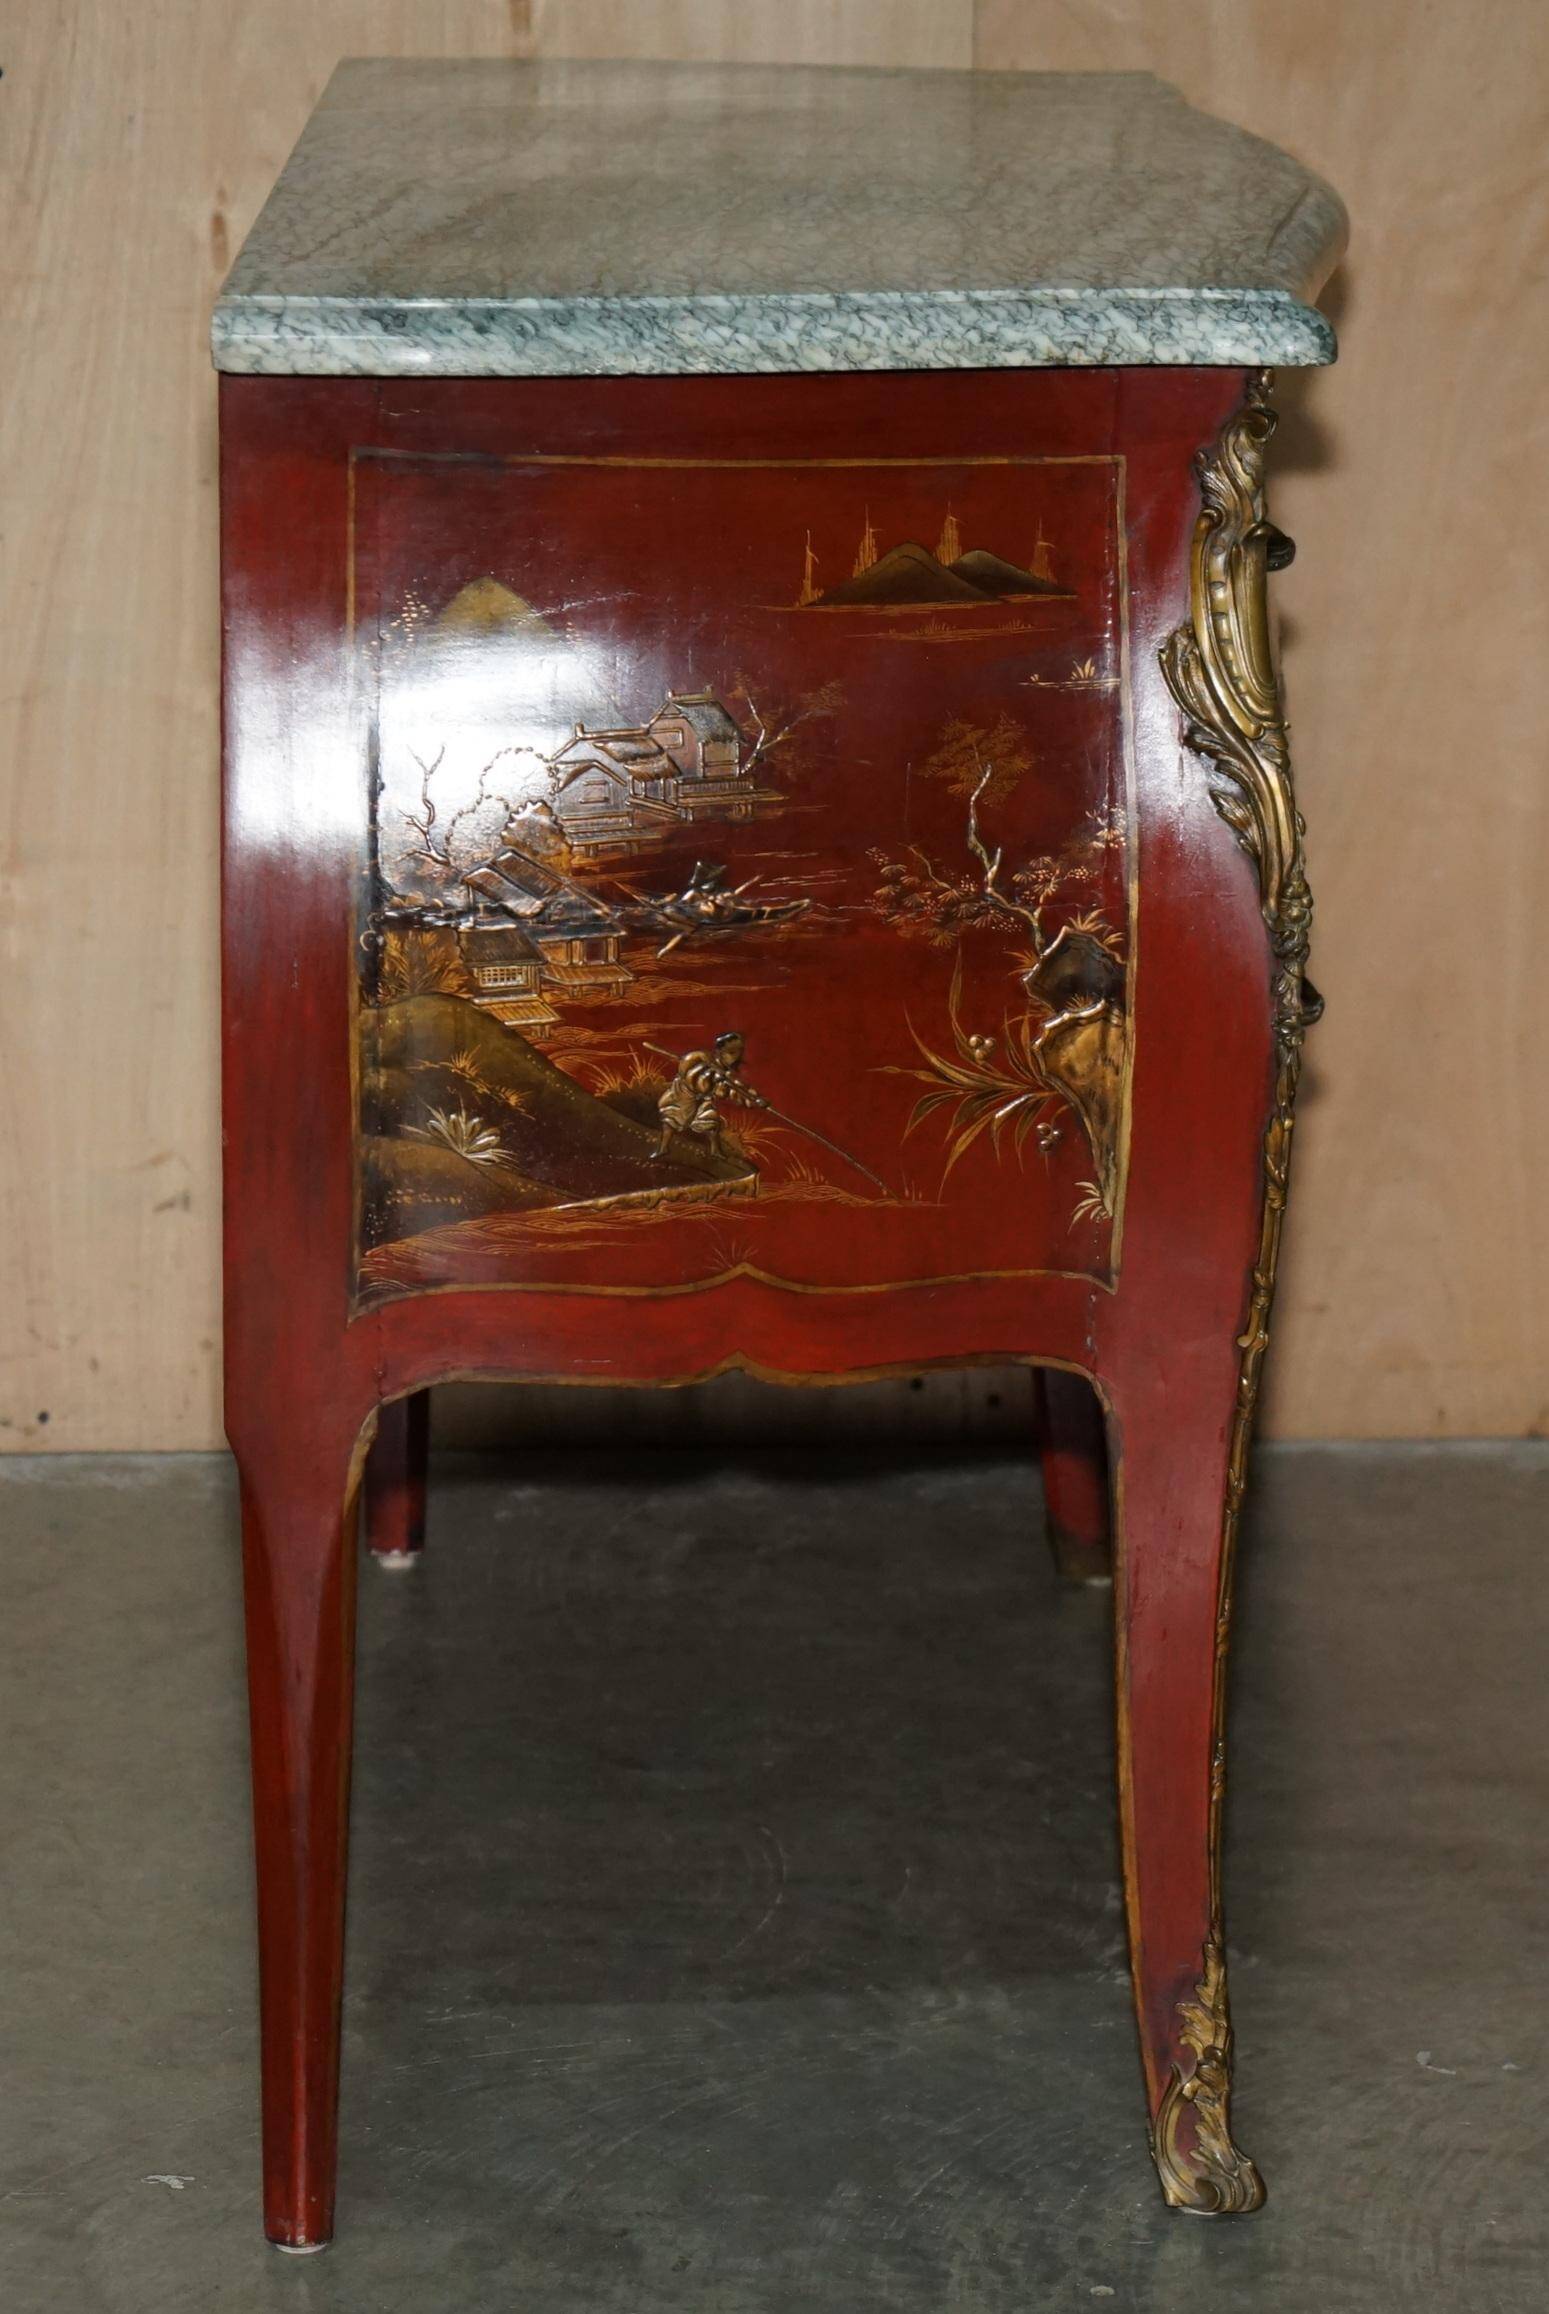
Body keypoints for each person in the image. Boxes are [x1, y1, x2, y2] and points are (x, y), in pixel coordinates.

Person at [652, 1031, 769, 1164]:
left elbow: (733, 1091)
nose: (735, 1057)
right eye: (731, 1053)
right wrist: (708, 1076)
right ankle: (663, 1148)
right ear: (720, 1051)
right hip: (683, 1094)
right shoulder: (700, 1057)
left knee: (711, 1123)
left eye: (738, 1052)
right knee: (671, 1120)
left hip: (703, 1099)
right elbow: (686, 1072)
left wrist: (754, 1100)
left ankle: (715, 1150)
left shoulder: (726, 1074)